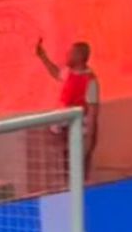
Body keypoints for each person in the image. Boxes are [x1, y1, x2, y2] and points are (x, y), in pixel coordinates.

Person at [36, 37, 99, 178]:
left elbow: (93, 114)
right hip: (65, 132)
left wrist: (89, 141)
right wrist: (42, 56)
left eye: (70, 53)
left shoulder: (90, 81)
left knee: (78, 171)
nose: (67, 56)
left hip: (80, 133)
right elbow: (55, 72)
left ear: (79, 57)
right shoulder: (69, 73)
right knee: (67, 169)